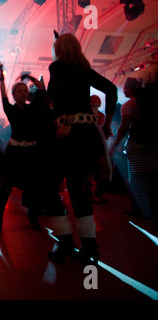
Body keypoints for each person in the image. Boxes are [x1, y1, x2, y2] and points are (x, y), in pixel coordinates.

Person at [46, 32, 117, 265]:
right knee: (78, 190)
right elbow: (111, 90)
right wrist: (107, 122)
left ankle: (65, 242)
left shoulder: (56, 68)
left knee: (49, 189)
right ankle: (89, 248)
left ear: (59, 49)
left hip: (66, 134)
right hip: (88, 135)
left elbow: (52, 100)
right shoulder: (83, 69)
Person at [0, 63, 55, 232]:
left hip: (30, 152)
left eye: (25, 91)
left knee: (31, 185)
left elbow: (41, 88)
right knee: (6, 184)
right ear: (14, 95)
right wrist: (1, 77)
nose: (24, 92)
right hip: (14, 152)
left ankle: (32, 216)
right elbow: (2, 93)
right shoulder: (10, 109)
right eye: (20, 91)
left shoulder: (33, 107)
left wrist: (29, 78)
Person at [110, 76, 157, 218]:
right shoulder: (151, 103)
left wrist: (115, 145)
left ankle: (140, 209)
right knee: (153, 178)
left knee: (136, 179)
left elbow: (123, 128)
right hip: (154, 143)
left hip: (136, 144)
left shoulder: (128, 106)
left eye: (125, 86)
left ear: (131, 89)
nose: (123, 89)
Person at [86, 95, 109, 204]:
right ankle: (89, 193)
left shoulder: (102, 116)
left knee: (101, 169)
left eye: (98, 99)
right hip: (90, 145)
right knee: (90, 169)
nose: (98, 100)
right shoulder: (86, 115)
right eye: (95, 99)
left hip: (100, 145)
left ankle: (99, 193)